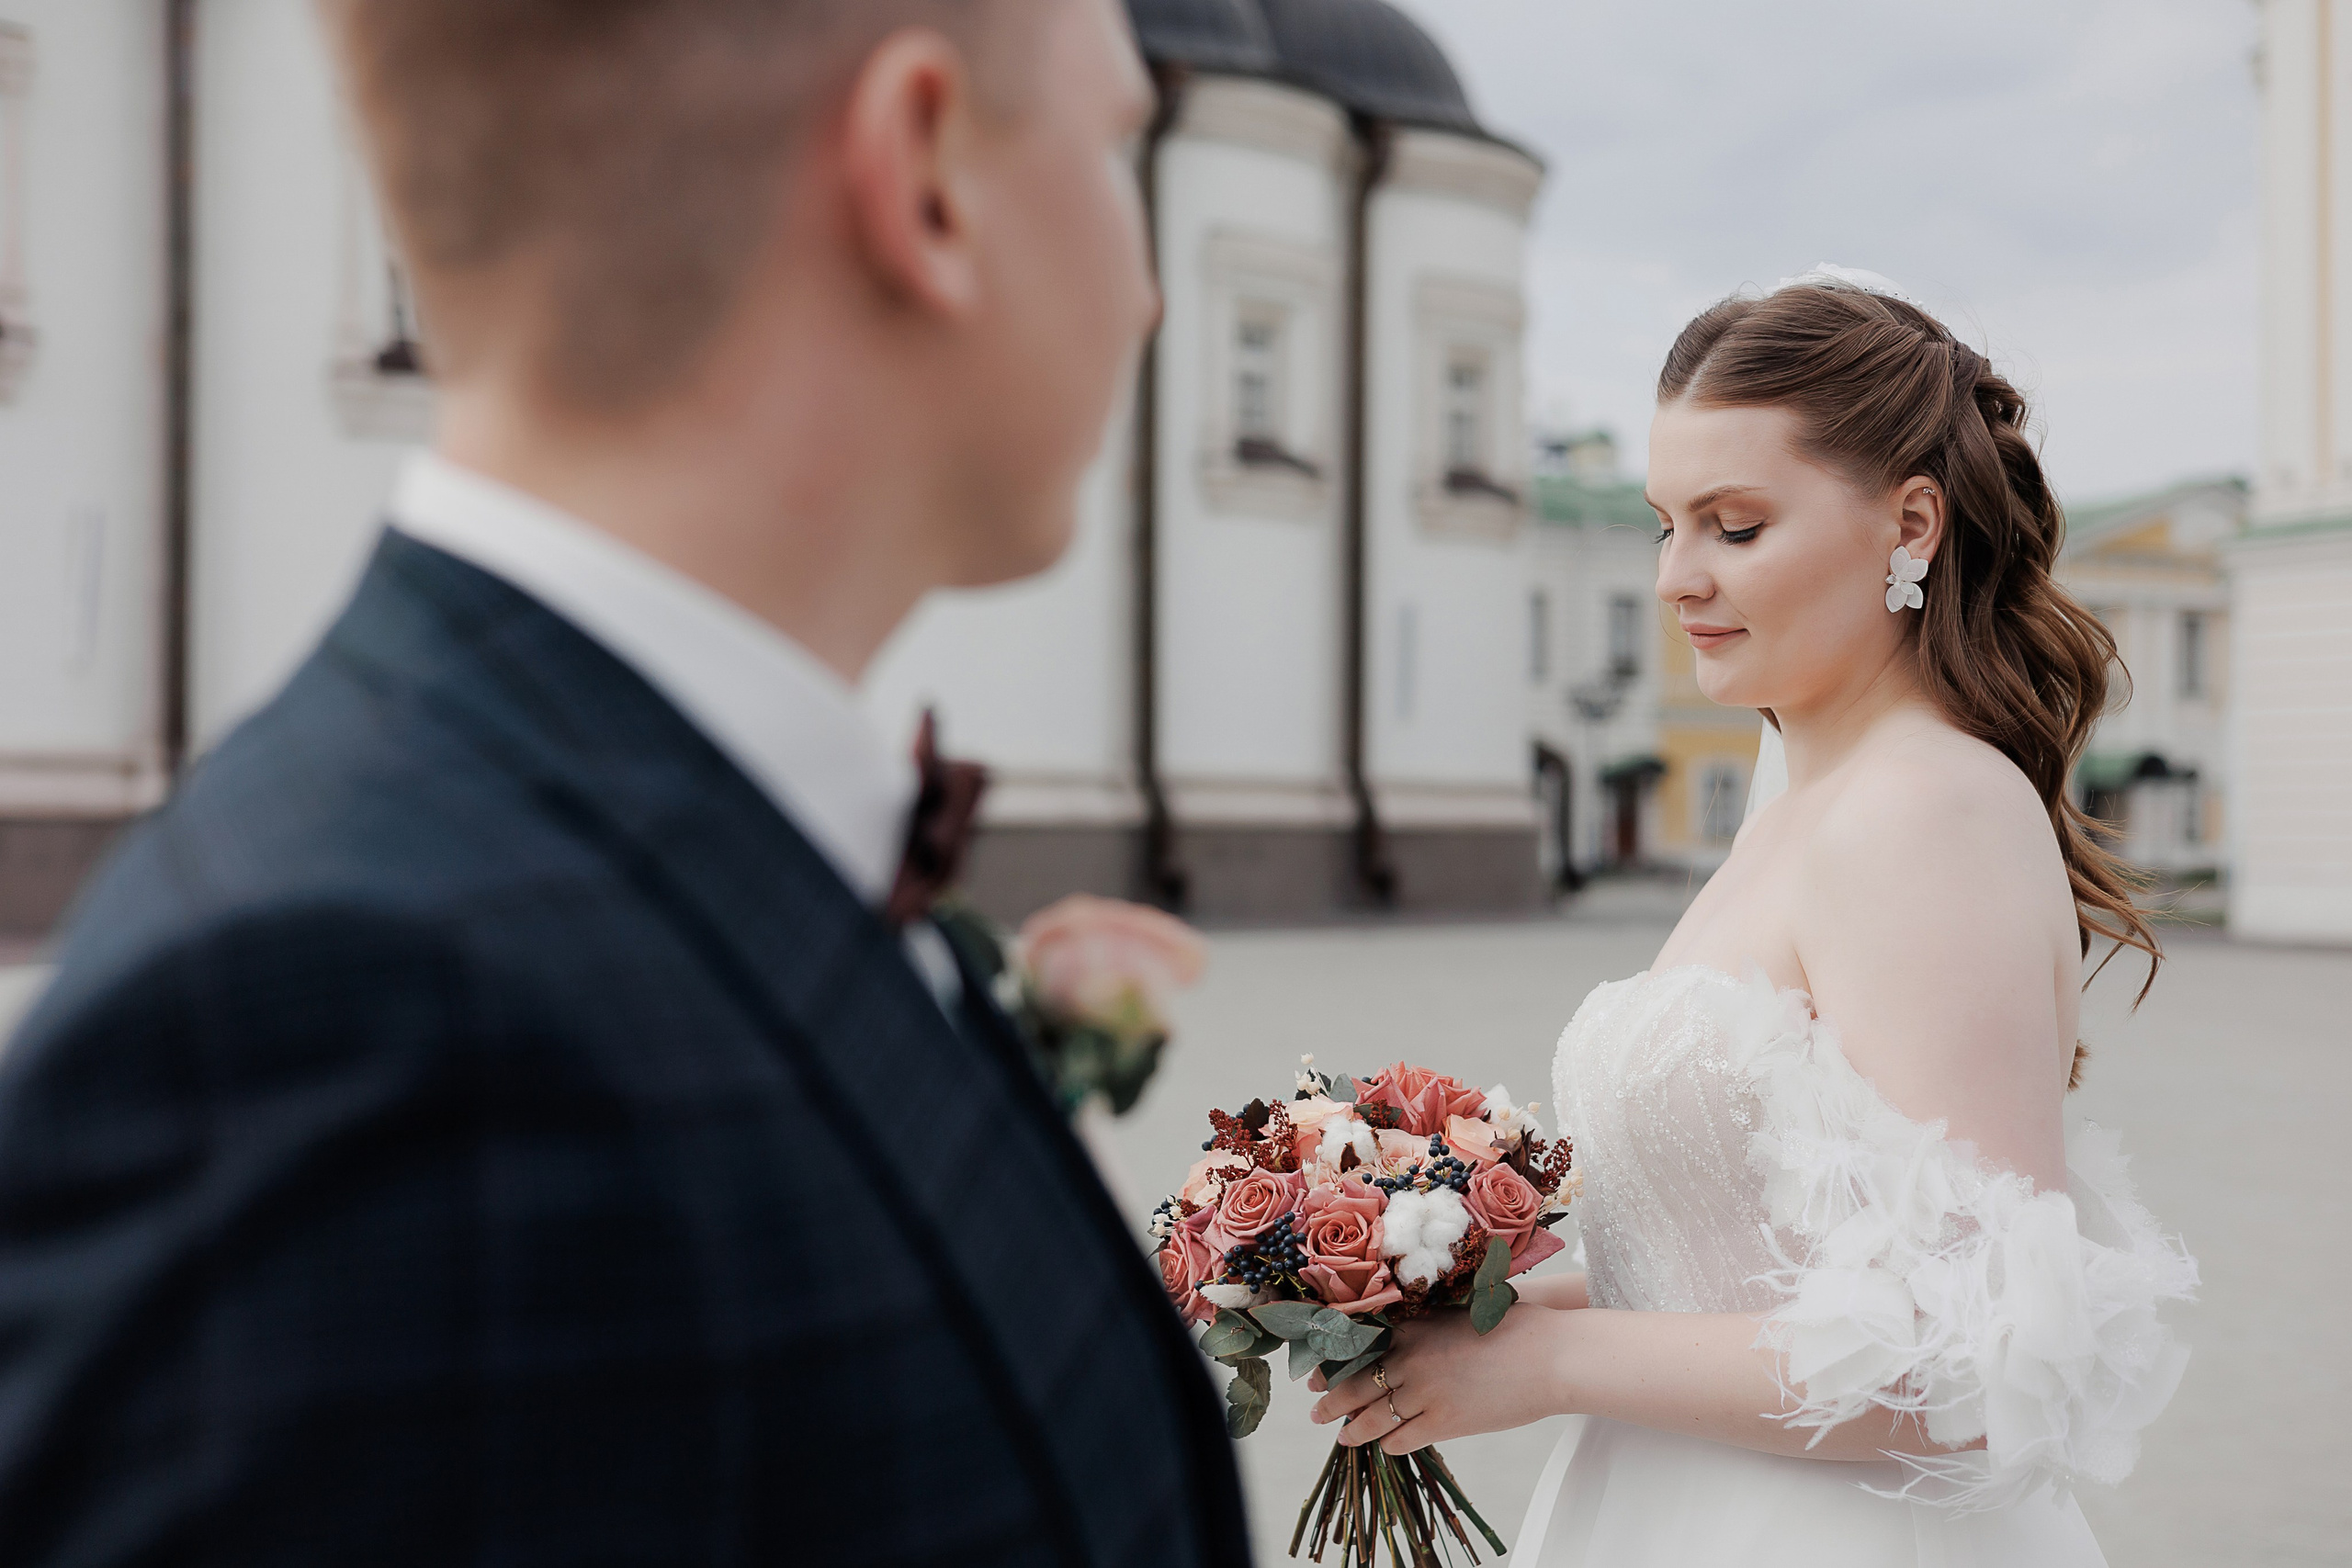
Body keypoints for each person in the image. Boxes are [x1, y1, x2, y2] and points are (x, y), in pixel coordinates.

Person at [0, 1, 1253, 1563]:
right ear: (925, 173)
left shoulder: (654, 834)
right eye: (1117, 143)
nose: (1145, 297)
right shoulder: (347, 1030)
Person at [1306, 269, 2198, 1566]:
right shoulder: (1796, 804)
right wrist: (1466, 1304)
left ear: (1911, 525)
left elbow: (1978, 1350)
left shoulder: (1928, 810)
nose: (1677, 579)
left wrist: (1560, 1359)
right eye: (1666, 526)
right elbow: (1740, 1273)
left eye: (1733, 526)